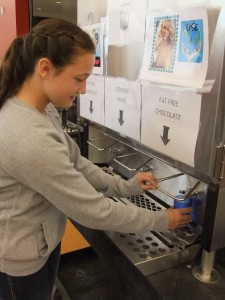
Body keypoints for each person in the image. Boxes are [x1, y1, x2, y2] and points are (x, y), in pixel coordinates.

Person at [0, 18, 192, 300]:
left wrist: (126, 187)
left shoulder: (42, 109)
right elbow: (93, 211)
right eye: (80, 78)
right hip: (20, 262)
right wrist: (162, 219)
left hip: (40, 244)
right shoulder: (27, 136)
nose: (83, 90)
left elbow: (77, 163)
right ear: (45, 68)